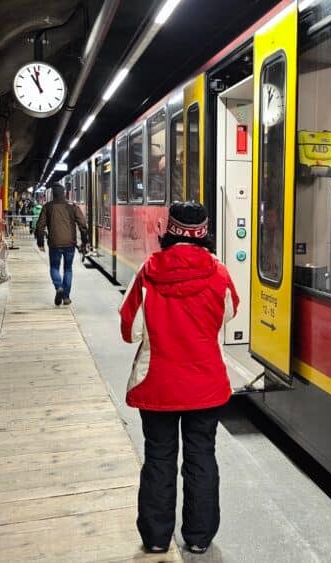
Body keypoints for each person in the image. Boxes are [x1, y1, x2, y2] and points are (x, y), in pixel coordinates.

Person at [119, 201, 239, 555]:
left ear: (168, 231)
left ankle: (156, 537)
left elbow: (130, 330)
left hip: (157, 385)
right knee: (201, 456)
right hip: (206, 386)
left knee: (159, 457)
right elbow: (230, 312)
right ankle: (199, 537)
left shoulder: (147, 272)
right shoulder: (219, 273)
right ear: (204, 234)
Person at [35, 183, 89, 306]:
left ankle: (58, 286)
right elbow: (83, 224)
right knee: (68, 269)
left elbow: (40, 226)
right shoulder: (72, 207)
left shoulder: (47, 207)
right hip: (70, 243)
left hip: (54, 244)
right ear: (64, 193)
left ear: (53, 194)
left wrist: (40, 242)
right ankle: (66, 297)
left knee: (54, 267)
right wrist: (84, 240)